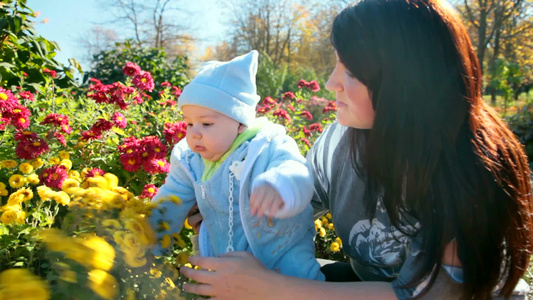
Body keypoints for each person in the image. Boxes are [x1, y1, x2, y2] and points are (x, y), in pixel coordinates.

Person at [180, 0, 533, 299]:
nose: (331, 83)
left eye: (350, 72)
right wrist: (230, 202)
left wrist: (268, 286)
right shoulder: (340, 141)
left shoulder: (471, 173)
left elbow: (422, 294)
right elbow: (296, 202)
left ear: (402, 83)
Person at [149, 50, 324, 281]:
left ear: (241, 124)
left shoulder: (266, 146)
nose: (194, 134)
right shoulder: (189, 161)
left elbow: (296, 170)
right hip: (224, 263)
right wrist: (148, 239)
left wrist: (279, 185)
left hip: (281, 257)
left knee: (298, 282)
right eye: (189, 123)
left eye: (206, 123)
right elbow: (171, 199)